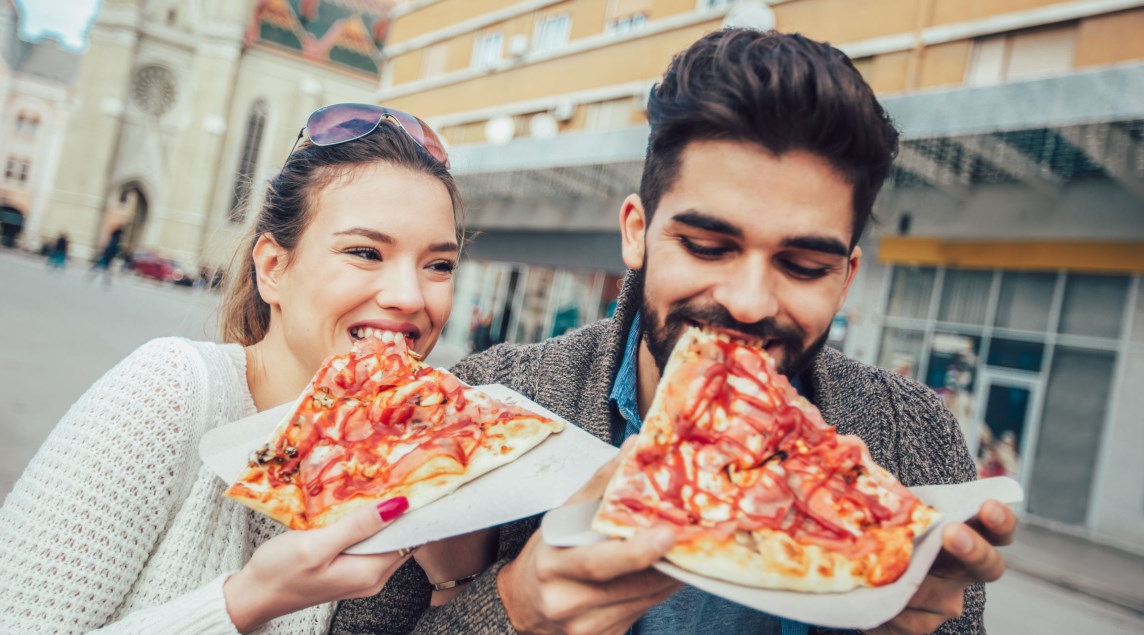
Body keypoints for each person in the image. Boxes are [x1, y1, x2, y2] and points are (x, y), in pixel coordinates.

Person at [380, 29, 1018, 634]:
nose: (747, 303)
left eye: (802, 265)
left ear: (846, 278)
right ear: (636, 232)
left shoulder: (915, 435)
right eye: (709, 246)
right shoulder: (485, 401)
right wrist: (514, 608)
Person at [0, 106, 489, 633]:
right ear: (273, 268)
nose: (409, 297)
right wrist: (246, 601)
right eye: (366, 253)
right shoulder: (173, 391)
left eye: (438, 265)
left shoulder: (414, 453)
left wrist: (454, 574)